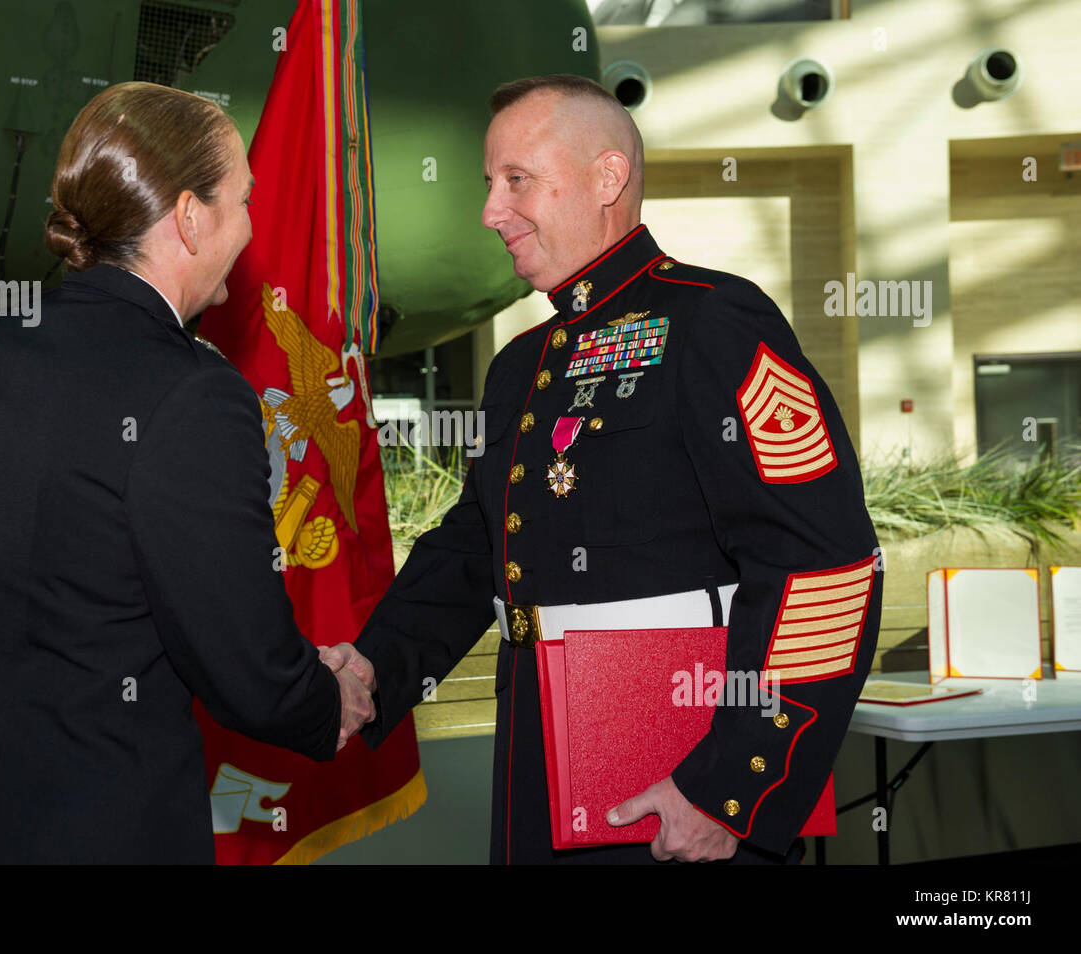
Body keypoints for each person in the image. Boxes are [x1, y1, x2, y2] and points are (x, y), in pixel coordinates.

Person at [327, 74, 881, 865]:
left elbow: (824, 567)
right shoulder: (522, 367)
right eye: (489, 184)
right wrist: (375, 669)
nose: (490, 211)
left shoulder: (714, 320)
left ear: (608, 178)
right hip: (541, 765)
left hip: (678, 787)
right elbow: (474, 548)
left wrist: (732, 791)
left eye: (517, 180)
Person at [0, 82, 373, 864]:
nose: (250, 226)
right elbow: (241, 664)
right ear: (188, 216)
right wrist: (322, 698)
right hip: (97, 822)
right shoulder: (194, 396)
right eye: (242, 200)